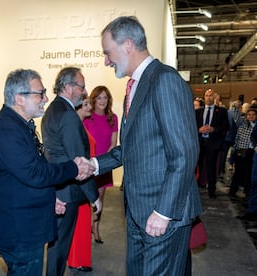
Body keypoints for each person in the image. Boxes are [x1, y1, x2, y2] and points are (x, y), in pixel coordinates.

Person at [94, 16, 203, 275]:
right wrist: (95, 163)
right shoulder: (135, 86)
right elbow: (133, 148)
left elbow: (184, 153)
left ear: (128, 45)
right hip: (137, 211)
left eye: (108, 53)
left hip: (161, 214)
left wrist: (164, 212)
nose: (106, 60)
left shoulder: (164, 80)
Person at [0, 69, 94, 276]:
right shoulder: (7, 129)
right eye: (40, 93)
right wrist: (74, 167)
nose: (45, 98)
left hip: (27, 225)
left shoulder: (16, 124)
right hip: (21, 231)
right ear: (19, 98)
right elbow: (34, 173)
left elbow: (25, 174)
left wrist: (49, 199)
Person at [42, 66, 100, 276]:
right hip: (66, 192)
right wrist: (94, 196)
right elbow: (80, 162)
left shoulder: (53, 110)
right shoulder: (67, 115)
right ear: (68, 87)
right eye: (81, 87)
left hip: (58, 189)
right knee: (59, 247)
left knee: (57, 245)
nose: (84, 92)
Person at [84, 85, 118, 244]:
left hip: (103, 165)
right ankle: (85, 229)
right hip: (87, 166)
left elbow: (113, 143)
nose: (102, 101)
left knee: (99, 199)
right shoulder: (86, 117)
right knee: (85, 201)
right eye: (99, 97)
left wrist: (103, 163)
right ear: (93, 99)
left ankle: (95, 228)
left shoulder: (113, 118)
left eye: (105, 97)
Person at [67, 95, 95, 272]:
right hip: (80, 181)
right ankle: (77, 260)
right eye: (85, 104)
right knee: (79, 222)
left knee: (82, 222)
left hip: (87, 178)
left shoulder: (82, 126)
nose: (89, 106)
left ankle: (79, 259)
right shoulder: (76, 128)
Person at [195, 89, 229, 198]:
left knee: (211, 168)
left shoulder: (222, 111)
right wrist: (198, 130)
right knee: (196, 167)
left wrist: (214, 129)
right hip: (200, 143)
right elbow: (191, 126)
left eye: (210, 95)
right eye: (206, 95)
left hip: (213, 143)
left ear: (214, 97)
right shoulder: (198, 112)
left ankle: (211, 190)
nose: (208, 97)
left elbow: (226, 126)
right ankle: (195, 189)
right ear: (204, 97)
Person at [229, 103, 256, 197]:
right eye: (249, 114)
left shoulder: (256, 126)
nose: (251, 116)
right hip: (241, 151)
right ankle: (233, 191)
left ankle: (247, 192)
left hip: (252, 152)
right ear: (246, 116)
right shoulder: (243, 123)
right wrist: (235, 106)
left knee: (249, 173)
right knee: (238, 172)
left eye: (253, 115)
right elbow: (236, 116)